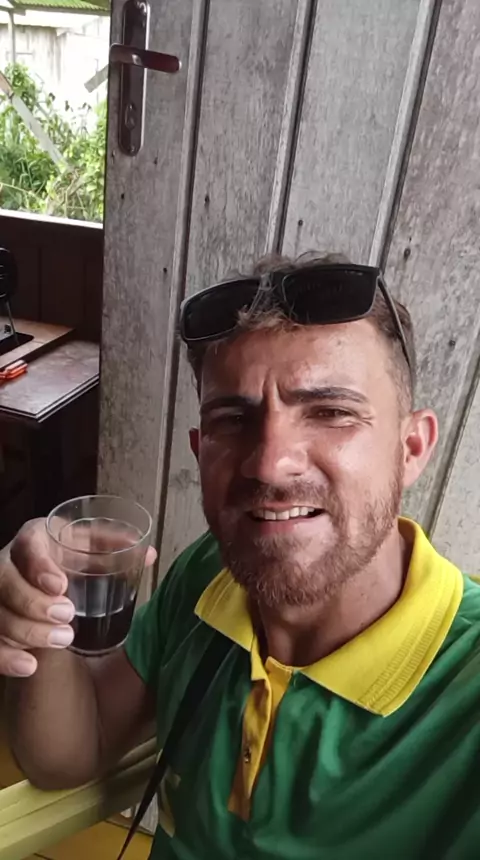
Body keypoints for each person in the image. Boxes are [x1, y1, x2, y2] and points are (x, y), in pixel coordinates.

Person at [1, 254, 480, 860]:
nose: (269, 463)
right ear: (200, 450)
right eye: (233, 419)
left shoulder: (464, 689)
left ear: (410, 448)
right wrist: (40, 612)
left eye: (330, 412)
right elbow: (71, 752)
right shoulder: (213, 573)